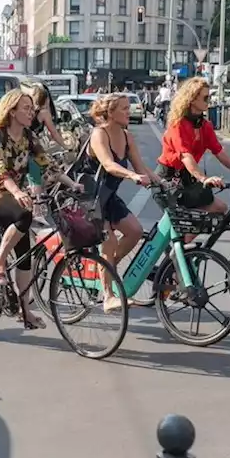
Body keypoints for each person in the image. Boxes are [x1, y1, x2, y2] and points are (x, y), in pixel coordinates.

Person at [0, 88, 82, 330]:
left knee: (25, 257)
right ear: (11, 111)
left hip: (11, 196)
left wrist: (72, 184)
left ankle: (25, 312)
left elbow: (47, 164)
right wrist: (18, 191)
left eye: (32, 108)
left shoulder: (29, 137)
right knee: (24, 215)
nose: (32, 113)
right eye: (26, 109)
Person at [87, 93, 159, 312]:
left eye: (129, 107)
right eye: (125, 108)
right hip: (90, 197)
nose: (130, 111)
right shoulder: (99, 134)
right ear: (110, 112)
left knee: (135, 231)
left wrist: (161, 181)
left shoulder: (127, 136)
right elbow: (108, 165)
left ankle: (108, 270)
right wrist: (132, 176)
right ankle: (108, 296)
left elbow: (141, 167)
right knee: (108, 242)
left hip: (108, 196)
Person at [156, 77, 230, 215]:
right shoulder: (178, 126)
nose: (209, 101)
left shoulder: (205, 126)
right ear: (192, 99)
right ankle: (176, 237)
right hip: (169, 179)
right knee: (183, 223)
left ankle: (180, 237)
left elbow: (220, 152)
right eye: (205, 98)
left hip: (188, 178)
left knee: (219, 209)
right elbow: (186, 156)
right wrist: (204, 178)